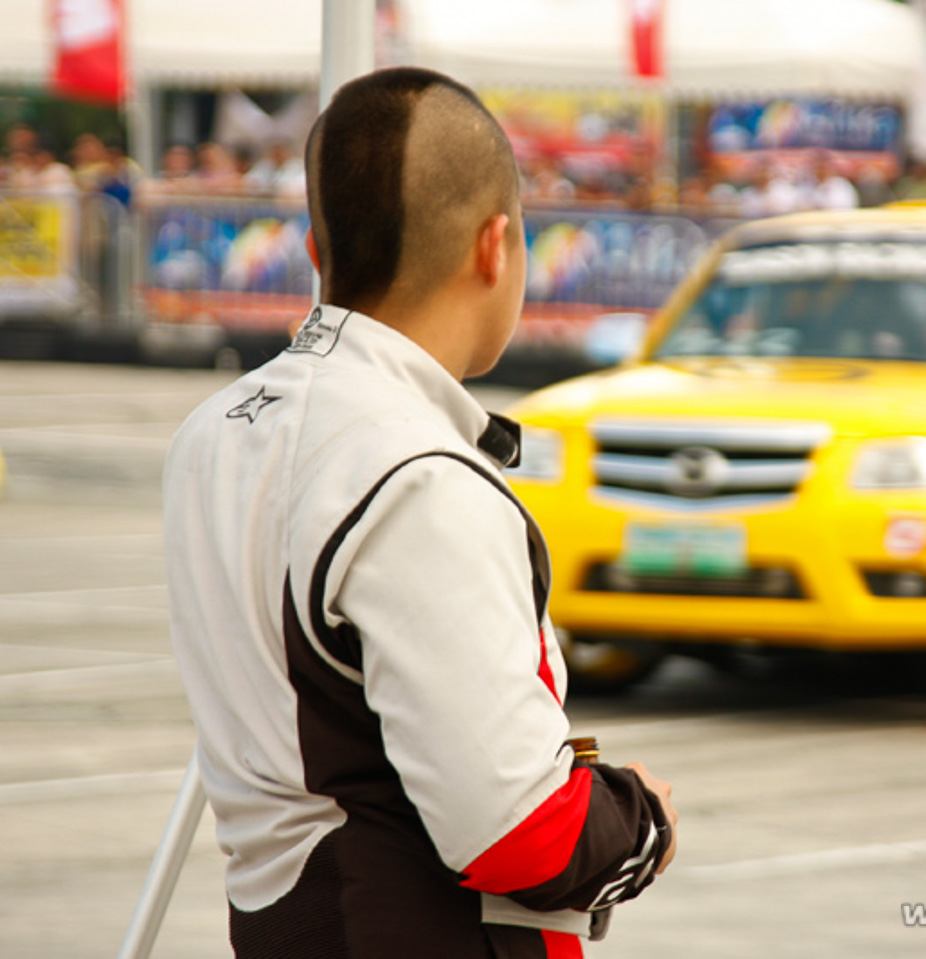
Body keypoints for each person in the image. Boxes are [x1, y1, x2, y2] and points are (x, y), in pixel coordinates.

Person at [163, 67, 678, 958]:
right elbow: (513, 829)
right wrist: (643, 818)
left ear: (317, 252)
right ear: (496, 246)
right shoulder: (418, 474)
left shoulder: (214, 428)